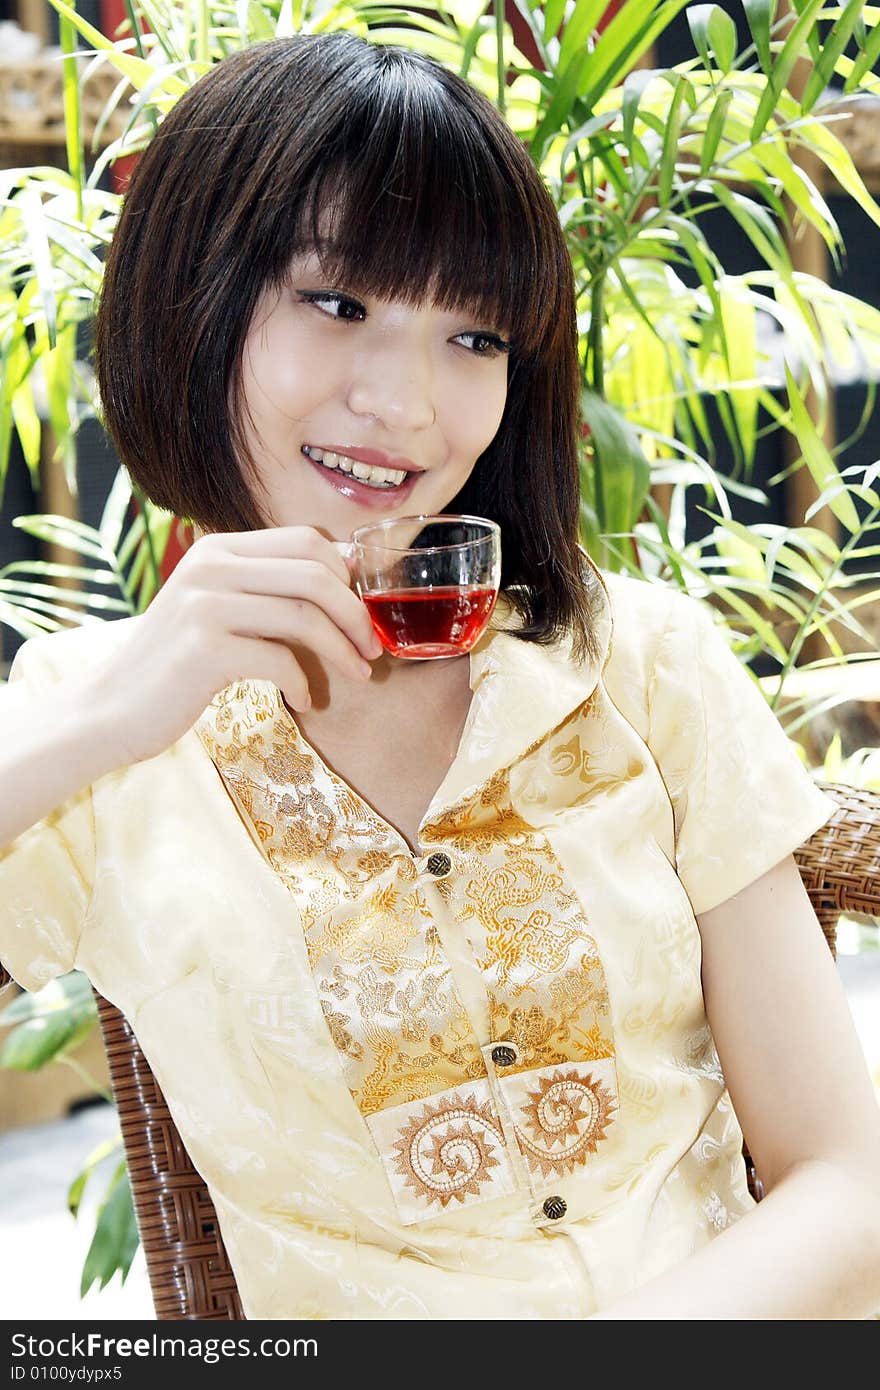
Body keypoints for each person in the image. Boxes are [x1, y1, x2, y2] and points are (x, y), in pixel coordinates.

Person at [1, 31, 879, 1323]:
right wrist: (104, 720)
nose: (411, 405)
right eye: (340, 303)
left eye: (474, 337)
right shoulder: (97, 732)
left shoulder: (641, 663)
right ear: (192, 302)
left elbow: (845, 1181)